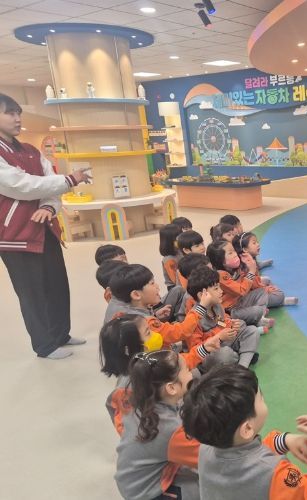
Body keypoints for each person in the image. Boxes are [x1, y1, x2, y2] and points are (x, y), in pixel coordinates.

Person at [0, 93, 90, 359]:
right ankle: (44, 345)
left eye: (18, 113)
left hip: (45, 229)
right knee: (31, 293)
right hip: (15, 236)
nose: (17, 118)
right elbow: (21, 185)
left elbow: (51, 184)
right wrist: (70, 180)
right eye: (9, 113)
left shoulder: (30, 150)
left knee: (57, 284)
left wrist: (49, 207)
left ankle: (61, 334)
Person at [181, 365, 307, 500]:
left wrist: (284, 440)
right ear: (247, 428)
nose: (263, 399)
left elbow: (246, 458)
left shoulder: (206, 448)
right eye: (260, 398)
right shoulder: (274, 474)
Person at [99, 314, 227, 435]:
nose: (156, 334)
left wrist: (205, 348)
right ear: (129, 349)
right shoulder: (127, 390)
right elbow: (130, 429)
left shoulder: (147, 364)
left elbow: (179, 362)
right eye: (148, 333)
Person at [115, 350, 201, 500]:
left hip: (131, 481)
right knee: (202, 486)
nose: (191, 373)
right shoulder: (169, 429)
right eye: (187, 370)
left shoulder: (141, 403)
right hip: (146, 493)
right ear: (171, 388)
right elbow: (208, 458)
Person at [184, 266, 261, 368]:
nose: (221, 291)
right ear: (201, 295)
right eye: (216, 288)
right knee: (225, 354)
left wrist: (231, 325)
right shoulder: (193, 318)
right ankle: (242, 356)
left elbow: (221, 322)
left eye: (219, 287)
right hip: (209, 354)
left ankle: (242, 366)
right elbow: (196, 349)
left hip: (224, 343)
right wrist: (219, 337)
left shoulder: (217, 306)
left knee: (252, 331)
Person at [206, 240, 273, 328]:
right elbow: (241, 291)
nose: (235, 254)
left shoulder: (236, 268)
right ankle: (258, 318)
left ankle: (259, 317)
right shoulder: (220, 275)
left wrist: (250, 265)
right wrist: (251, 271)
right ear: (221, 261)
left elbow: (254, 285)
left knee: (262, 292)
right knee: (257, 311)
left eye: (234, 251)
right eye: (230, 253)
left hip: (241, 301)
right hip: (231, 310)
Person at [232, 232, 298, 307]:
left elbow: (254, 282)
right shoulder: (246, 265)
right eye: (254, 243)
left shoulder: (247, 260)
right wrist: (265, 289)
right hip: (244, 298)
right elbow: (250, 286)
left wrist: (265, 288)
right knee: (279, 295)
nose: (258, 244)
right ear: (245, 249)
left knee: (267, 280)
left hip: (250, 290)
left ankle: (276, 300)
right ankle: (280, 301)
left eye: (257, 242)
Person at [159, 223, 182, 290]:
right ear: (169, 241)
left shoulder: (179, 251)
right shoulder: (169, 259)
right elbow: (175, 280)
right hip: (175, 288)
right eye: (178, 238)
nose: (181, 239)